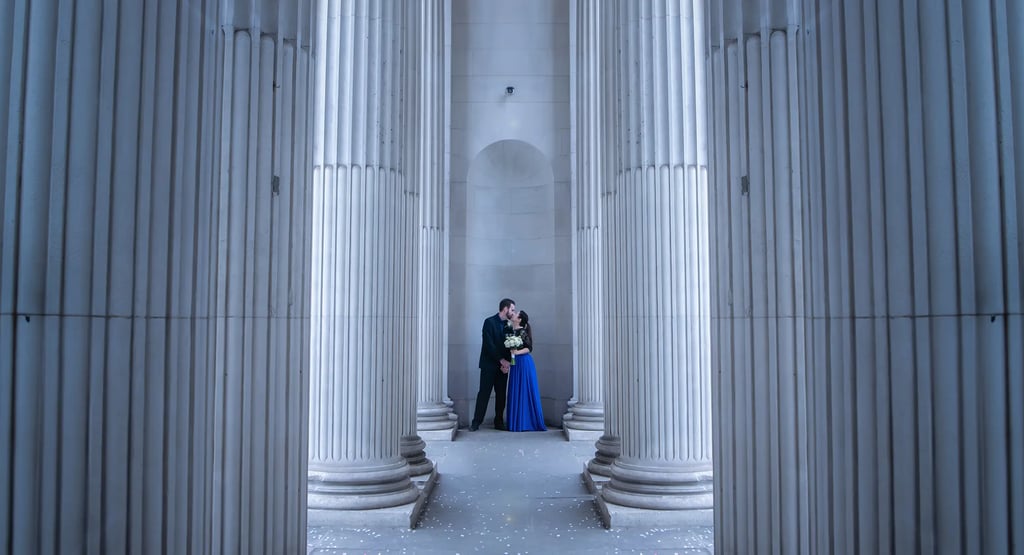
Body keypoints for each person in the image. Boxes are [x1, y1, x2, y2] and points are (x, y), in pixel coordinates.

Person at [470, 298, 515, 431]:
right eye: (512, 309)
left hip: (503, 367)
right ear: (505, 309)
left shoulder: (509, 325)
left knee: (501, 395)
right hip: (489, 365)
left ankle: (499, 422)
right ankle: (476, 422)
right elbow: (489, 345)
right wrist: (502, 360)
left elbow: (512, 347)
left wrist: (508, 365)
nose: (513, 312)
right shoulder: (489, 322)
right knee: (484, 393)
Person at [505, 310, 546, 431]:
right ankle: (518, 422)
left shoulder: (522, 331)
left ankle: (525, 422)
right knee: (516, 389)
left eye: (516, 313)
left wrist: (516, 352)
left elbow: (529, 348)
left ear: (519, 319)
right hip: (516, 363)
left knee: (524, 390)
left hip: (524, 362)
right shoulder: (512, 331)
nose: (514, 313)